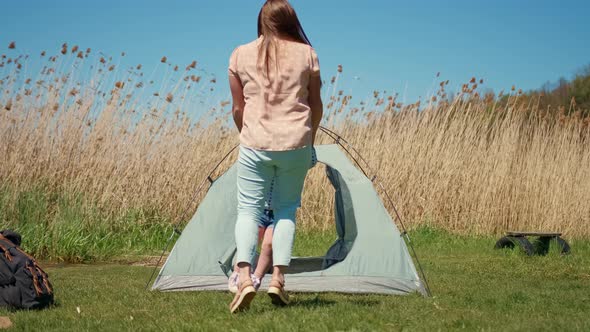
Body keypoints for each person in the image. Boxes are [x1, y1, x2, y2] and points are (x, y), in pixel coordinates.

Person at [227, 0, 323, 313]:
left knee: (248, 210)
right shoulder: (307, 54)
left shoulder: (240, 54)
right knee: (285, 211)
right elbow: (316, 104)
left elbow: (239, 108)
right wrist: (310, 139)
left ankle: (243, 277)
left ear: (262, 21)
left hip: (255, 143)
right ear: (290, 21)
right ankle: (277, 279)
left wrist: (246, 132)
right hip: (296, 143)